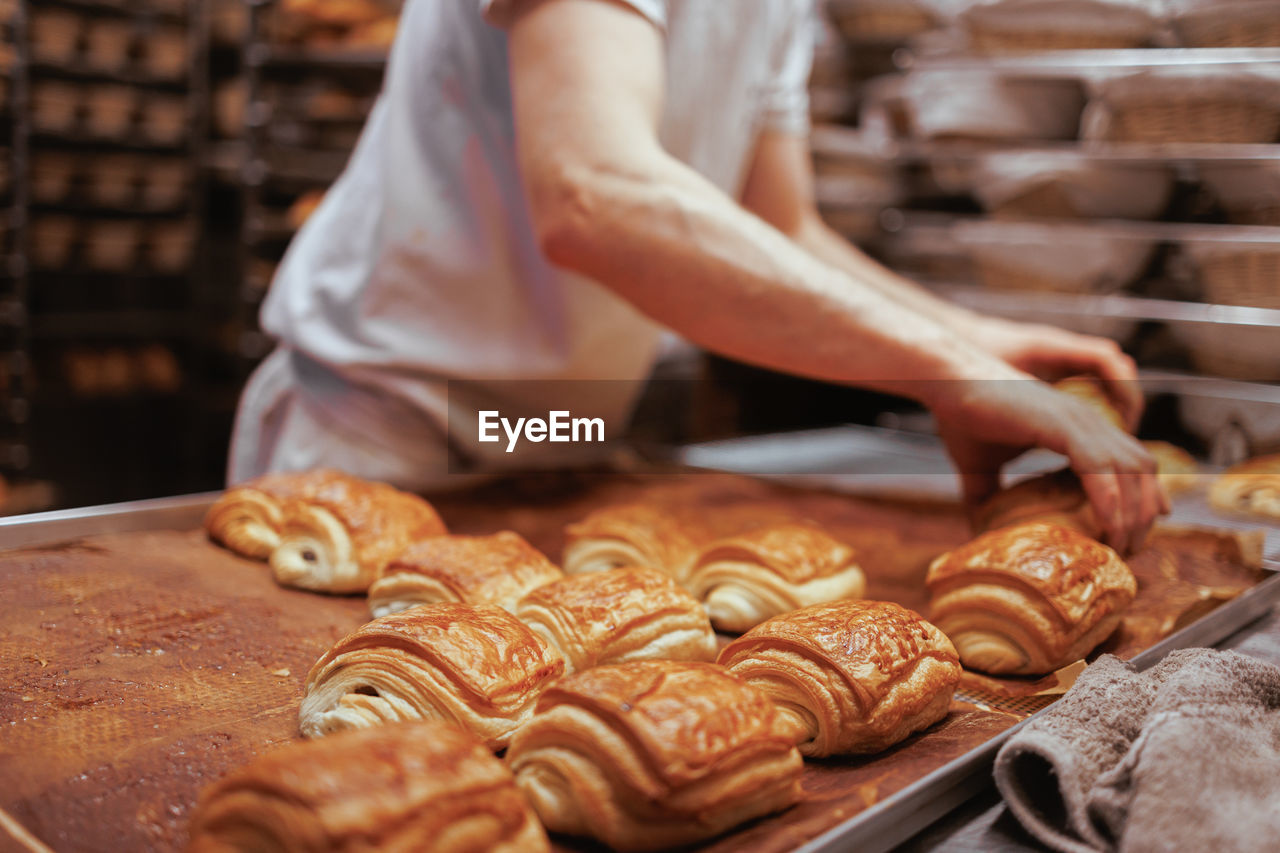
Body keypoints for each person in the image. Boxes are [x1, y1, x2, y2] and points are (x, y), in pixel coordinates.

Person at [230, 0, 1165, 553]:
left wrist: (977, 346)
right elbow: (594, 197)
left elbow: (779, 227)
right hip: (383, 434)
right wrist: (945, 371)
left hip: (563, 433)